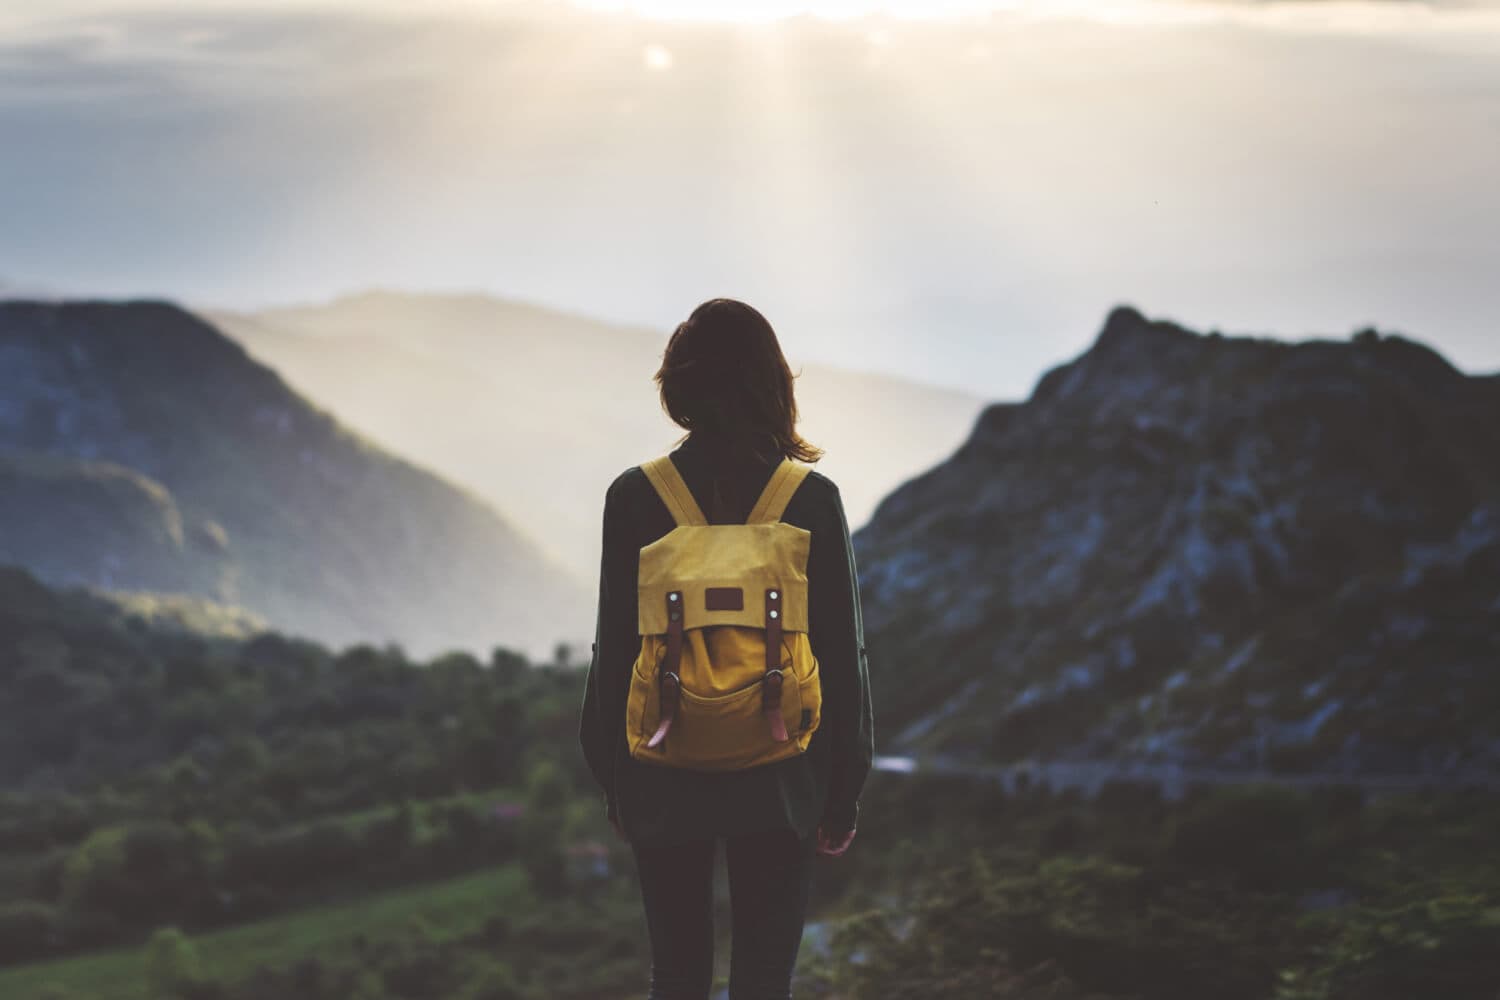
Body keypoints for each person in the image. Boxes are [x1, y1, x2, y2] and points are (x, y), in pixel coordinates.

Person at [579, 298, 875, 1000]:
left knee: (677, 975)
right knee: (765, 980)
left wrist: (613, 778)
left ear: (677, 384)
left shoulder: (634, 496)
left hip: (662, 761)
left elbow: (614, 646)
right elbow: (843, 651)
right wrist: (843, 790)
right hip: (782, 774)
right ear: (774, 382)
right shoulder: (811, 499)